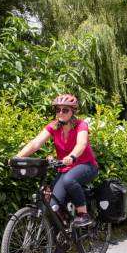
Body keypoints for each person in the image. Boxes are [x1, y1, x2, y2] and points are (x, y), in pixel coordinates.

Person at [16, 94, 98, 229]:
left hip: (86, 166)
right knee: (53, 207)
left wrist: (72, 156)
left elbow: (82, 144)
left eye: (65, 110)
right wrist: (17, 158)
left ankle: (83, 214)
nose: (61, 113)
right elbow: (35, 143)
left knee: (69, 180)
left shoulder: (81, 125)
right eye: (58, 110)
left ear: (73, 111)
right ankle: (61, 241)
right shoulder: (53, 126)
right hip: (65, 169)